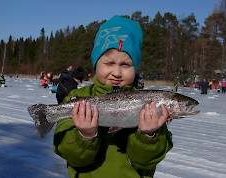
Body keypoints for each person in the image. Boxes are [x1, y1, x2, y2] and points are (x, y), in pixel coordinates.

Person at [53, 16, 173, 178]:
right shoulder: (78, 98)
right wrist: (85, 135)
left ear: (135, 68)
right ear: (96, 64)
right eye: (109, 64)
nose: (116, 72)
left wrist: (149, 135)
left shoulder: (151, 105)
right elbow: (71, 156)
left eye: (125, 65)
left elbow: (146, 162)